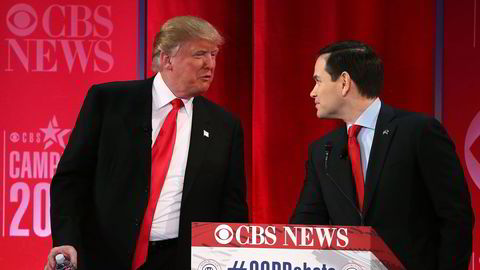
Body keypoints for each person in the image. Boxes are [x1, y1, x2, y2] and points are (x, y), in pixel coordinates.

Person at [45, 16, 249, 270]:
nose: (210, 64)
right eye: (199, 54)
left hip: (180, 260)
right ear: (166, 59)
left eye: (214, 54)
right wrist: (66, 240)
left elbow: (232, 206)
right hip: (105, 255)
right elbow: (71, 179)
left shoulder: (224, 125)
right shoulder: (109, 102)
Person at [290, 40, 474, 269]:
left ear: (345, 82)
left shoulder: (418, 132)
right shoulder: (321, 151)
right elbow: (305, 229)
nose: (312, 92)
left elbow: (456, 218)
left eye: (318, 80)